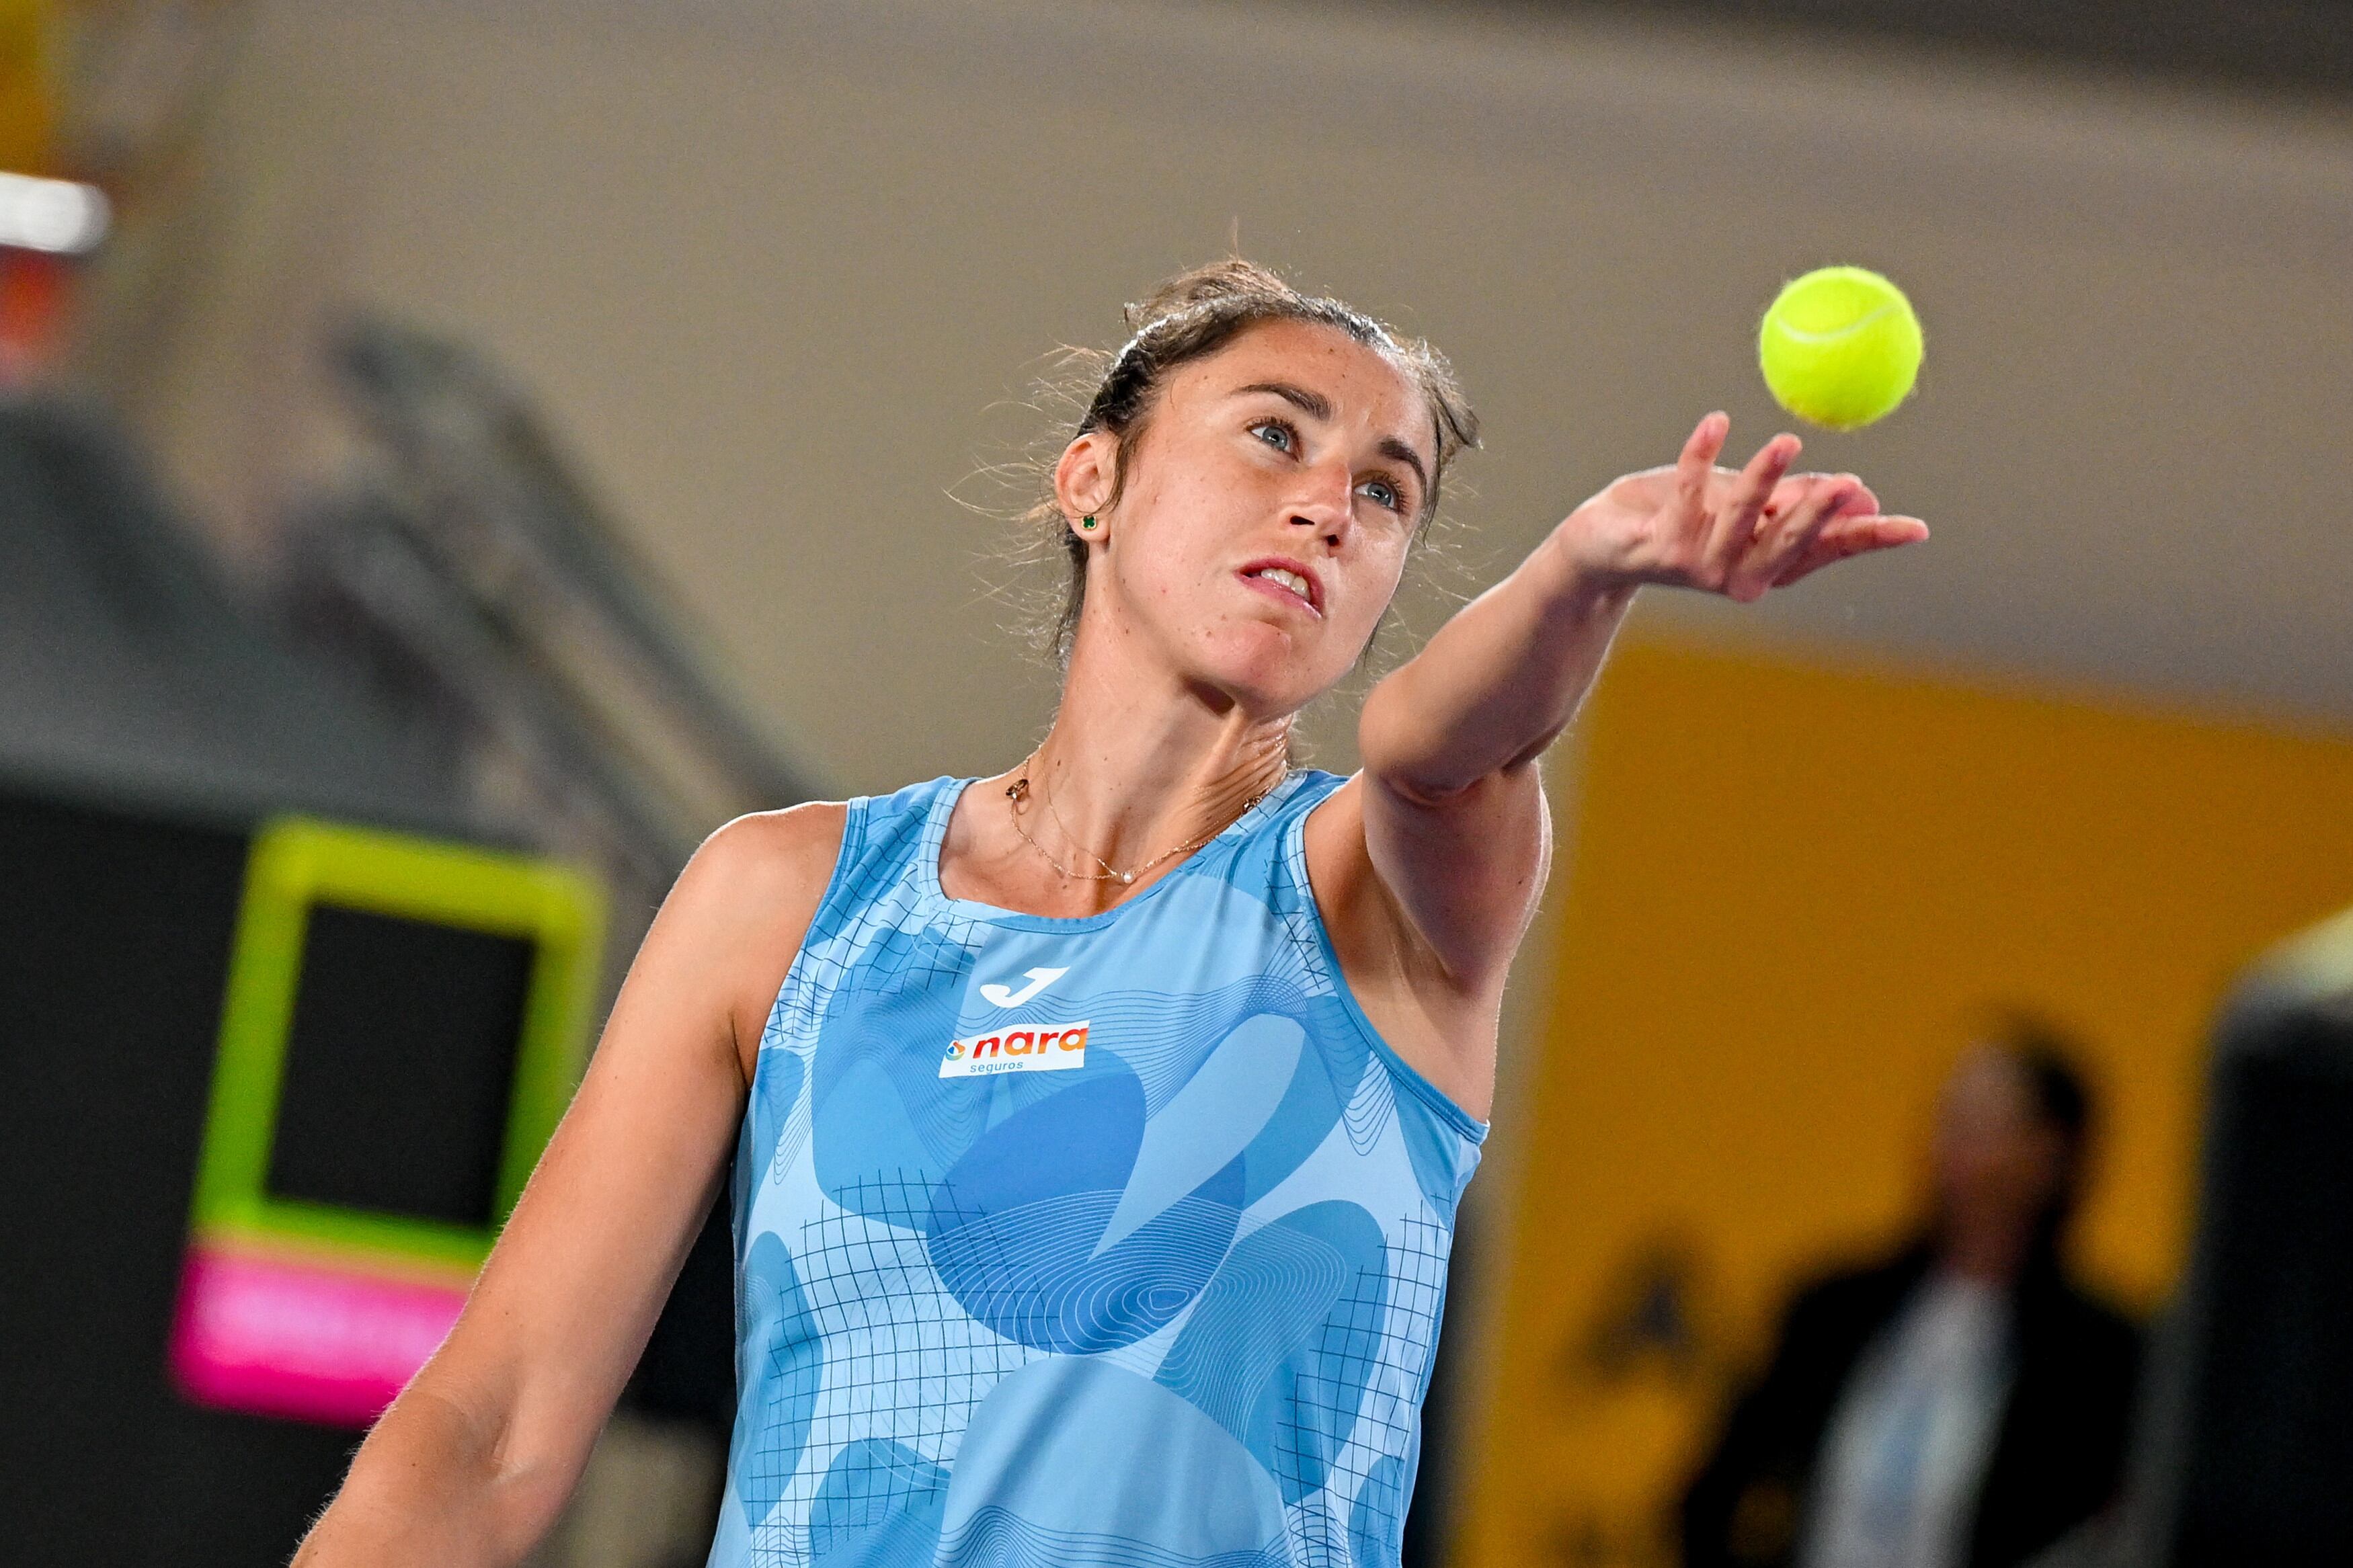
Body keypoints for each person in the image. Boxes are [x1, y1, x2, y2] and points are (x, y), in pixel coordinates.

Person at [292, 259, 1923, 1568]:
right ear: (1094, 480)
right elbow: (490, 1425)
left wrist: (1590, 566)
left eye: (1386, 491)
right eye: (1275, 434)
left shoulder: (1382, 893)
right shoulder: (780, 897)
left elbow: (1435, 744)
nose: (1329, 505)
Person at [1679, 1024, 2143, 1568]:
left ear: (2050, 1155)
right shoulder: (1833, 1310)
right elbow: (1714, 1494)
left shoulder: (2101, 1357)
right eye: (1948, 1121)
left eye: (1983, 1127)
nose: (1950, 1150)